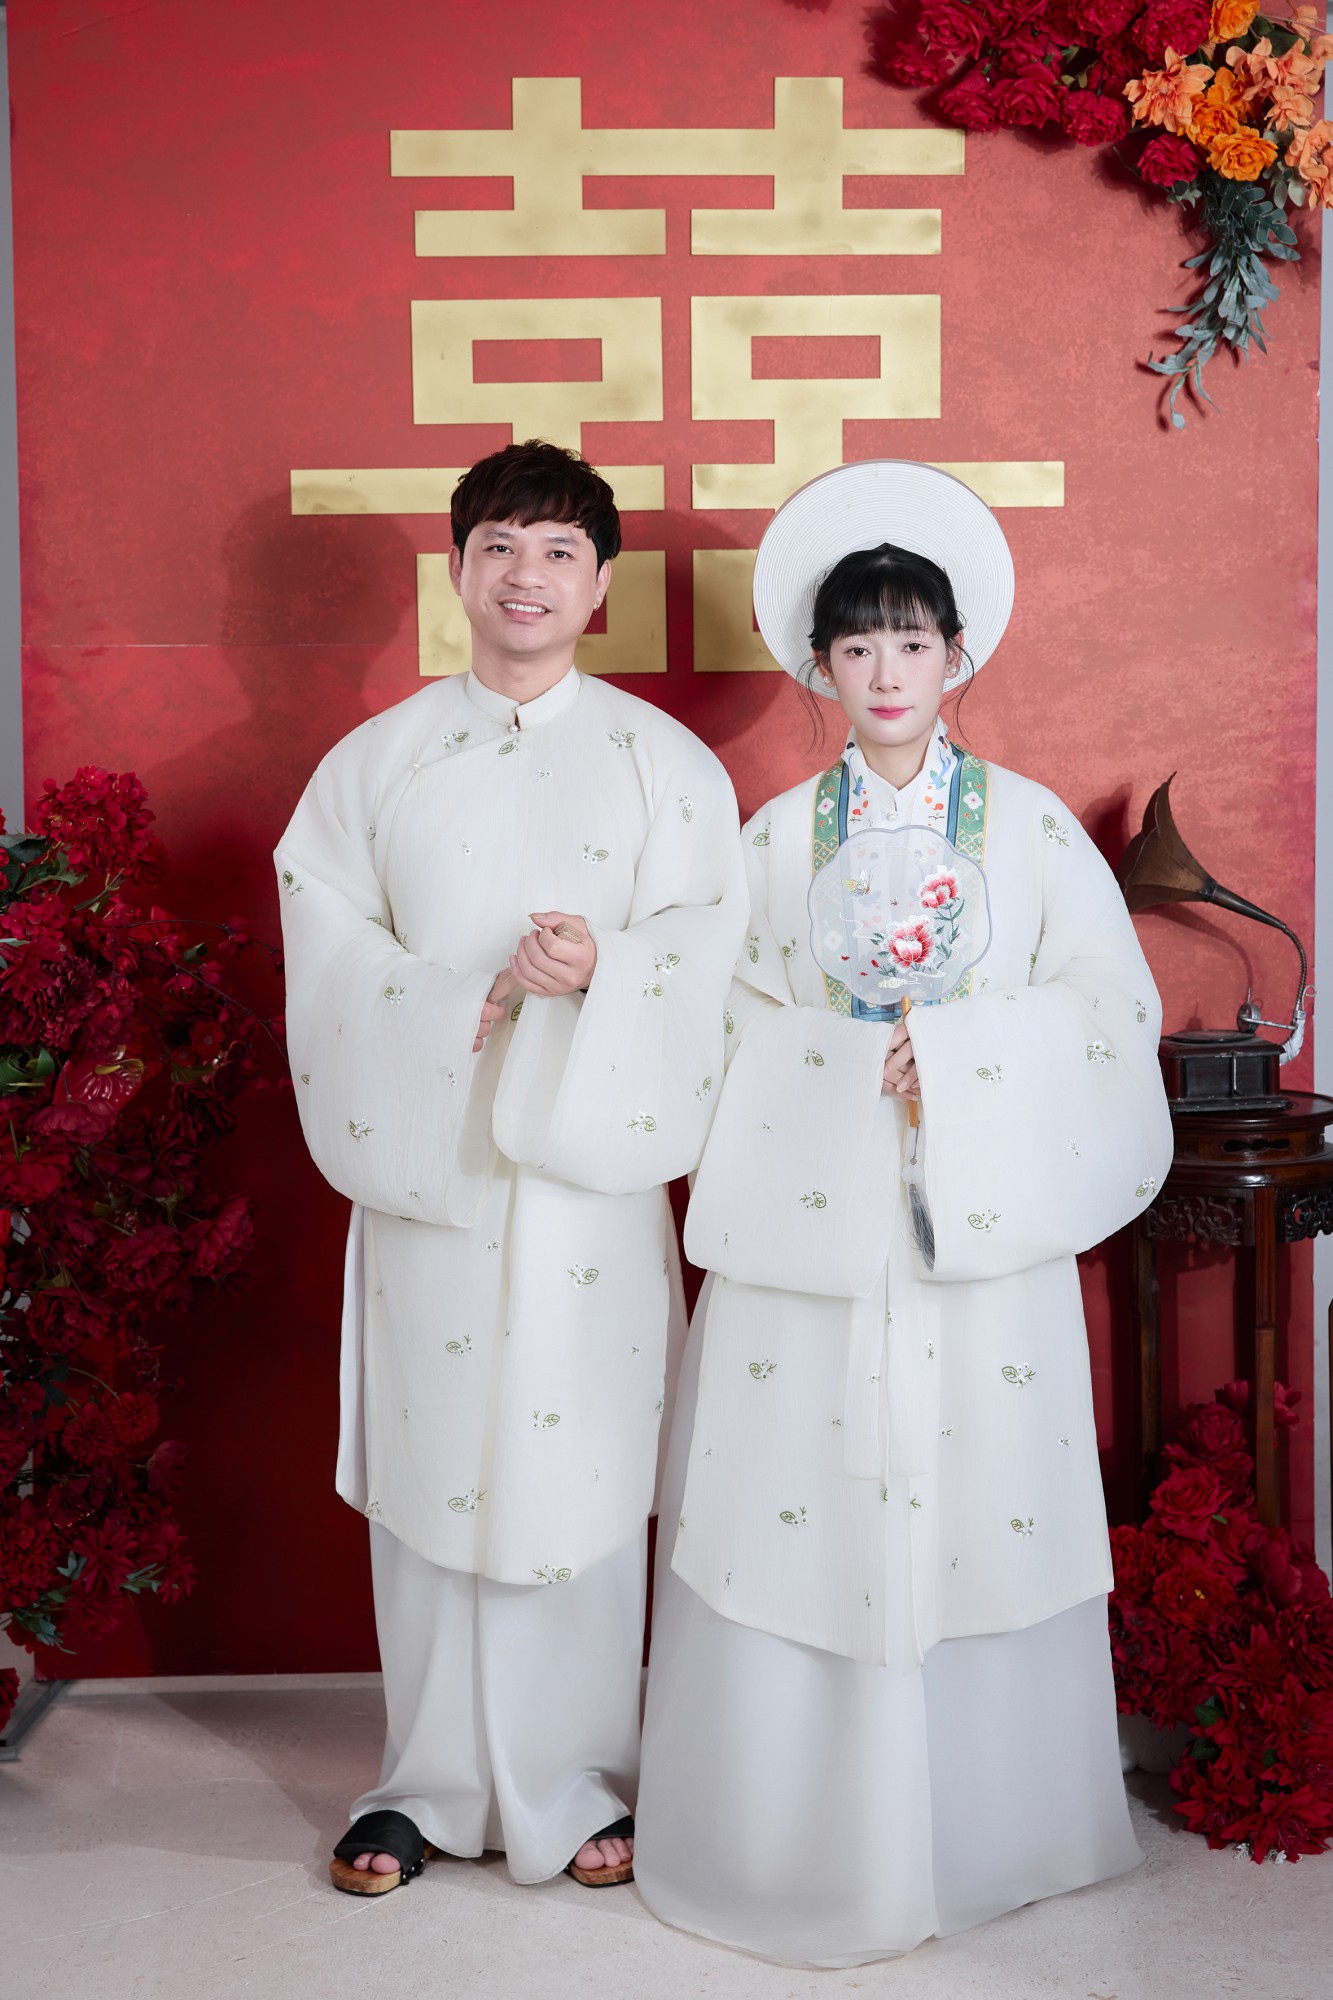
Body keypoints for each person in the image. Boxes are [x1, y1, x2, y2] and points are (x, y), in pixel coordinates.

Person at [634, 460, 1174, 1966]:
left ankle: (992, 1834)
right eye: (856, 644)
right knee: (795, 1497)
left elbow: (1106, 1008)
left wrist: (956, 1055)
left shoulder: (1033, 833)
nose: (884, 671)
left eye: (912, 642)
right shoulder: (767, 840)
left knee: (977, 1492)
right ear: (819, 666)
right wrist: (835, 1061)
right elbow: (719, 1015)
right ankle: (787, 1837)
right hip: (810, 1214)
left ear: (958, 657)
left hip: (968, 1219)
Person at [276, 440, 746, 1895]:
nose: (524, 575)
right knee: (434, 1465)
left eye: (556, 552)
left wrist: (610, 967)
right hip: (434, 1166)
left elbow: (713, 949)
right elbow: (326, 937)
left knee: (581, 1464)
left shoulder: (664, 764)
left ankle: (581, 1780)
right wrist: (457, 1000)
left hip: (590, 1181)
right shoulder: (377, 761)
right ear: (458, 569)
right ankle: (419, 1785)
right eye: (498, 545)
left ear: (599, 589)